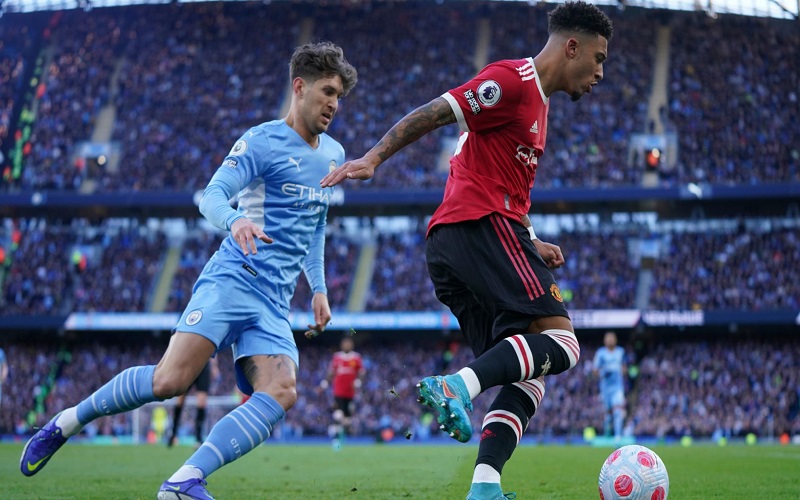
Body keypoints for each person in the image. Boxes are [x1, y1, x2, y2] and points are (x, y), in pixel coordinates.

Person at [20, 41, 358, 500]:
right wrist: (235, 220)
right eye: (327, 92)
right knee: (169, 381)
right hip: (233, 280)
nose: (334, 104)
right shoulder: (261, 141)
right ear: (299, 87)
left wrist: (318, 287)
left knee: (282, 390)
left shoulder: (334, 153)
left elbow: (316, 223)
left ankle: (184, 480)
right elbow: (212, 196)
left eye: (339, 96)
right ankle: (66, 422)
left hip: (276, 302)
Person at [321, 2, 612, 498]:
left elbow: (510, 189)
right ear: (572, 47)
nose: (600, 73)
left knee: (529, 375)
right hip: (478, 225)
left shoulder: (539, 107)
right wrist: (373, 158)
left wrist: (532, 240)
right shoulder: (513, 82)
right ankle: (456, 386)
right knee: (563, 345)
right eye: (599, 58)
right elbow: (437, 111)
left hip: (463, 239)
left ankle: (484, 486)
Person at [167, 358, 220, 448]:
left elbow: (212, 349)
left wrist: (214, 365)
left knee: (202, 403)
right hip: (189, 364)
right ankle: (173, 435)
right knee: (180, 400)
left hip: (203, 365)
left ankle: (198, 438)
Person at [322, 336, 364, 446]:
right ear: (342, 345)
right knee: (338, 414)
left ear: (352, 345)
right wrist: (325, 382)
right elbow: (331, 372)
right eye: (345, 344)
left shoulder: (356, 358)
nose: (347, 346)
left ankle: (342, 437)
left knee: (347, 419)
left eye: (348, 344)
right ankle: (336, 439)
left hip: (350, 393)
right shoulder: (337, 357)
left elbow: (361, 372)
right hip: (338, 391)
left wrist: (358, 381)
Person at [593, 331, 627, 440]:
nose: (610, 340)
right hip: (605, 388)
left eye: (612, 338)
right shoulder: (600, 353)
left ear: (615, 340)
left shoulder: (621, 352)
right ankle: (607, 433)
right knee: (607, 414)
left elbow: (624, 368)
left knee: (617, 411)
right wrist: (603, 373)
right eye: (608, 338)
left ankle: (618, 436)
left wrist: (620, 371)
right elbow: (595, 370)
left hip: (617, 387)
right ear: (605, 341)